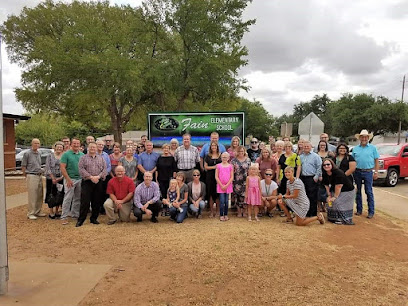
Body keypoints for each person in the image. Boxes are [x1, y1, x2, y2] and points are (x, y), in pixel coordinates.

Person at [76, 142, 107, 227]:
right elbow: (81, 169)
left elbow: (104, 169)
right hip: (87, 182)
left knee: (96, 201)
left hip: (98, 181)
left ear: (96, 148)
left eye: (94, 147)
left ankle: (94, 218)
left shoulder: (101, 158)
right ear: (88, 148)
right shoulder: (83, 158)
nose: (92, 149)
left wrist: (98, 176)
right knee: (85, 202)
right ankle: (81, 220)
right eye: (91, 147)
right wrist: (90, 177)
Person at [352, 129, 379, 219]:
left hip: (368, 172)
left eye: (365, 137)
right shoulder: (355, 149)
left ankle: (371, 211)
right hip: (357, 171)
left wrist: (376, 172)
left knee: (369, 191)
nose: (364, 139)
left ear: (368, 138)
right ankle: (359, 209)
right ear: (360, 138)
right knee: (358, 191)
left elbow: (376, 160)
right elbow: (352, 161)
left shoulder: (373, 148)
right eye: (362, 137)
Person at [322, 159, 355, 225]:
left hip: (347, 191)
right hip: (336, 190)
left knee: (337, 202)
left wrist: (335, 197)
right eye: (324, 165)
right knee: (331, 202)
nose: (326, 166)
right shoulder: (325, 173)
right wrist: (329, 195)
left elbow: (339, 186)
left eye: (328, 164)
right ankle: (333, 218)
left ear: (332, 165)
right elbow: (326, 185)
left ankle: (345, 219)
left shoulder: (338, 173)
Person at [60, 138, 84, 225]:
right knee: (68, 198)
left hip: (80, 179)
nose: (76, 145)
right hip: (70, 179)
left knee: (77, 198)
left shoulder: (82, 154)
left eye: (78, 143)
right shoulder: (66, 155)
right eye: (74, 143)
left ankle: (75, 214)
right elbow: (62, 167)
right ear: (71, 144)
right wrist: (68, 179)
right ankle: (64, 216)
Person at [22, 138, 46, 220]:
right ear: (32, 144)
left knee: (39, 194)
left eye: (38, 143)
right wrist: (26, 175)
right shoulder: (27, 154)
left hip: (39, 175)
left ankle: (38, 211)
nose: (36, 145)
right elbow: (23, 166)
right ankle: (31, 212)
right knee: (32, 195)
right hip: (31, 175)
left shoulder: (39, 153)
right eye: (35, 143)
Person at [299, 141, 322, 217]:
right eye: (304, 146)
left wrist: (316, 177)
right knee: (304, 196)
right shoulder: (301, 156)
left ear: (311, 147)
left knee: (312, 196)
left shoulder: (316, 156)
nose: (306, 148)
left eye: (307, 146)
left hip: (312, 178)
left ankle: (312, 213)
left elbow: (319, 167)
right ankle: (305, 212)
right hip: (303, 178)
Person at [45, 141, 64, 219]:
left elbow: (65, 167)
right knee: (51, 194)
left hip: (60, 178)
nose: (59, 148)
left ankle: (57, 210)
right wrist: (53, 178)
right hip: (51, 178)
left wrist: (61, 177)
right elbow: (47, 167)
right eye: (58, 147)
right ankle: (51, 211)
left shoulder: (64, 156)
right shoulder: (50, 156)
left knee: (59, 194)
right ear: (55, 147)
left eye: (61, 147)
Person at [231, 146, 251, 218]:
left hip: (246, 180)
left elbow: (249, 171)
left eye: (242, 151)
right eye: (239, 151)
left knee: (245, 196)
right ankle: (239, 211)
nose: (241, 153)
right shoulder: (233, 161)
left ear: (244, 152)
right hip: (236, 180)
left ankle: (244, 211)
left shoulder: (248, 160)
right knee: (237, 196)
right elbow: (232, 171)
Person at [204, 141, 222, 218]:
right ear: (210, 147)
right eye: (212, 146)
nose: (213, 147)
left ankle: (218, 211)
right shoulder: (208, 156)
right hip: (210, 177)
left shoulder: (221, 155)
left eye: (215, 146)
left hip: (219, 177)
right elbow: (206, 167)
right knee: (211, 194)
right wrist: (214, 167)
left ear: (217, 147)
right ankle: (211, 211)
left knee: (218, 195)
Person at [215, 152, 233, 221]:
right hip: (220, 186)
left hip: (228, 186)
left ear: (228, 158)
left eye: (225, 157)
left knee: (226, 201)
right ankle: (221, 214)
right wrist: (221, 185)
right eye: (223, 157)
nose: (224, 158)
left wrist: (227, 185)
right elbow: (216, 176)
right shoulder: (218, 166)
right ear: (221, 158)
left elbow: (231, 177)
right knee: (222, 201)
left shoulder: (230, 166)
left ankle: (226, 214)